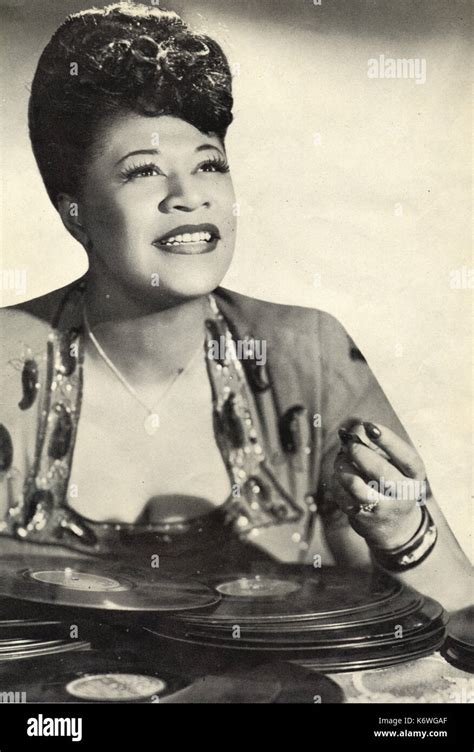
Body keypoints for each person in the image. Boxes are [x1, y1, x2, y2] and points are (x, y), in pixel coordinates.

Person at [0, 2, 471, 610]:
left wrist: (404, 535)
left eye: (209, 165)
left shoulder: (309, 355)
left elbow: (461, 623)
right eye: (143, 171)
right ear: (76, 212)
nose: (188, 196)